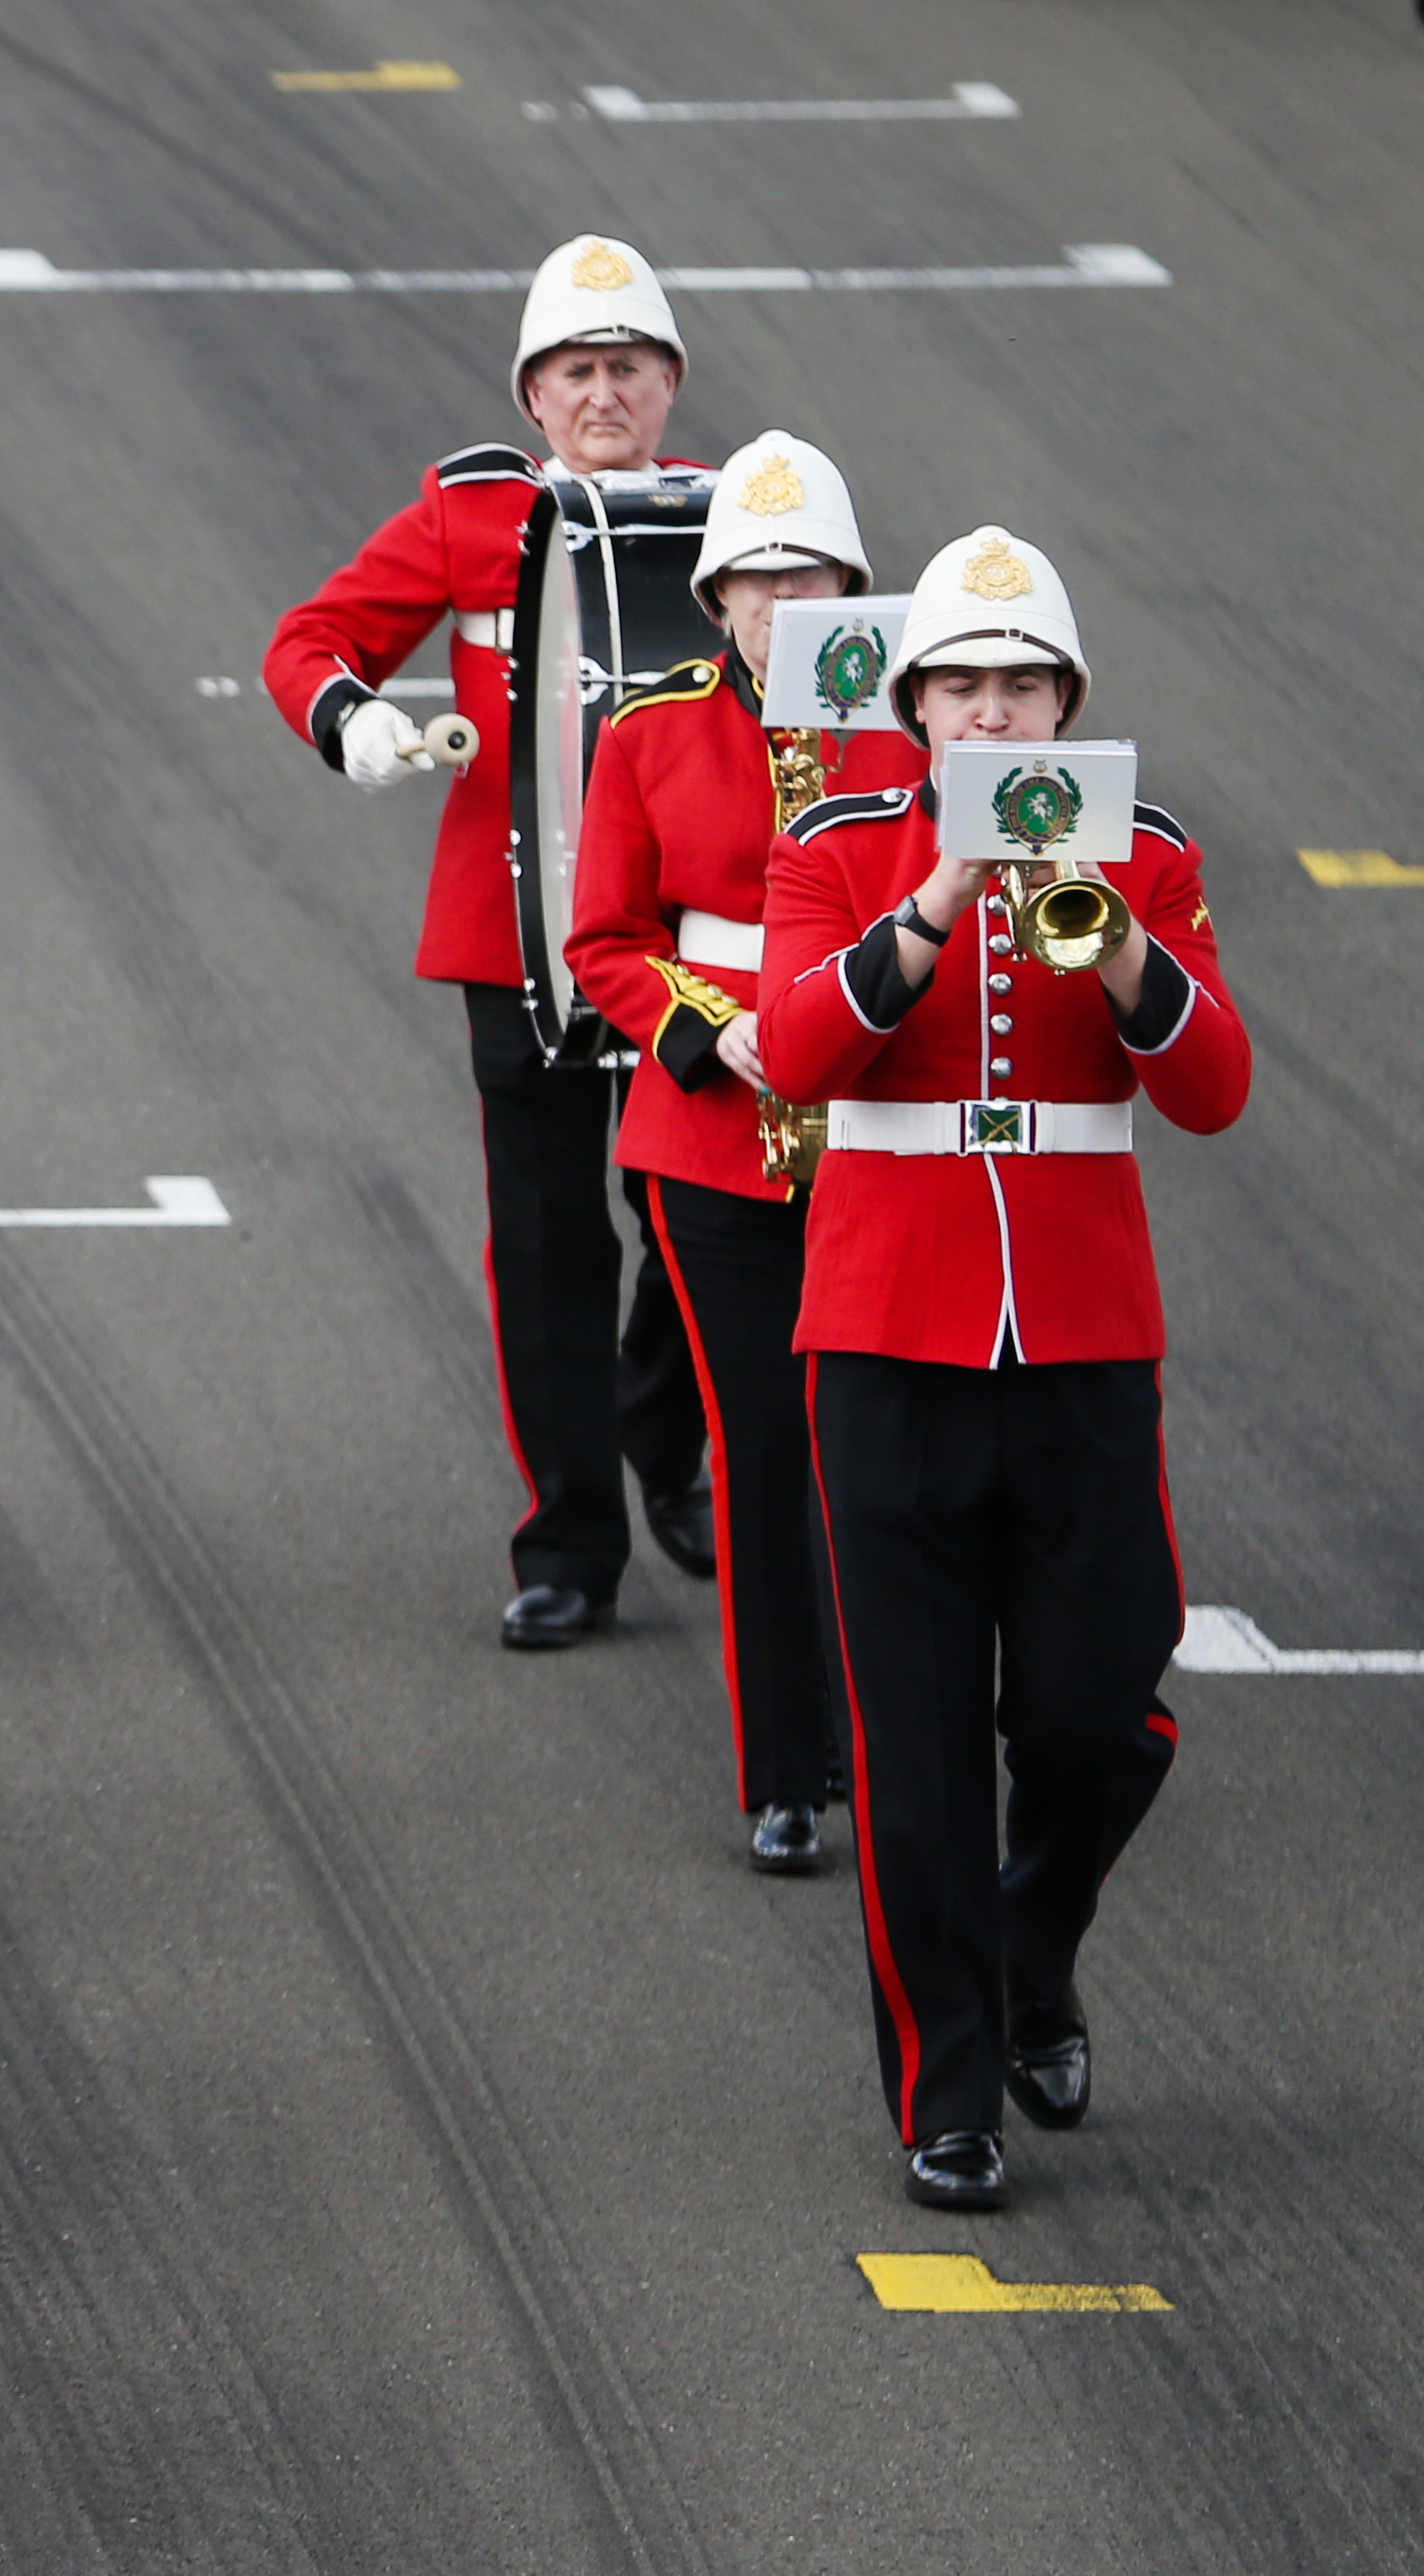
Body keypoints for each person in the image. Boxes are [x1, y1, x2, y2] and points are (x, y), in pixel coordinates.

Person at [762, 527, 1250, 2209]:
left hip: (1081, 1346)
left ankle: (1036, 1955)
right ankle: (945, 2091)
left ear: (1067, 703)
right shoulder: (836, 846)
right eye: (962, 685)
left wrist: (1115, 942)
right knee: (914, 1756)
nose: (993, 715)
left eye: (1021, 685)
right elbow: (808, 1056)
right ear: (915, 704)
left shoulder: (1151, 853)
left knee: (1101, 1714)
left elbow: (1214, 1092)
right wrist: (936, 902)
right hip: (886, 1345)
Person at [263, 233, 714, 1649]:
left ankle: (659, 1427)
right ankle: (570, 1541)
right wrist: (359, 723)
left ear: (666, 385)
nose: (599, 395)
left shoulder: (729, 526)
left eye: (623, 370)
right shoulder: (470, 521)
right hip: (509, 939)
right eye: (573, 372)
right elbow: (310, 638)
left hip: (687, 937)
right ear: (530, 395)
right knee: (543, 1240)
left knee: (697, 1214)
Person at [565, 431, 922, 1874]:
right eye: (753, 581)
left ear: (854, 586)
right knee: (767, 1451)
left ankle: (910, 1730)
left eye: (808, 576)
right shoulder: (649, 732)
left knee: (887, 1457)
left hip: (885, 1130)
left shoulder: (912, 730)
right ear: (711, 600)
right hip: (716, 1140)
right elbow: (603, 941)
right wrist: (714, 1036)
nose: (779, 605)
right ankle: (786, 1769)